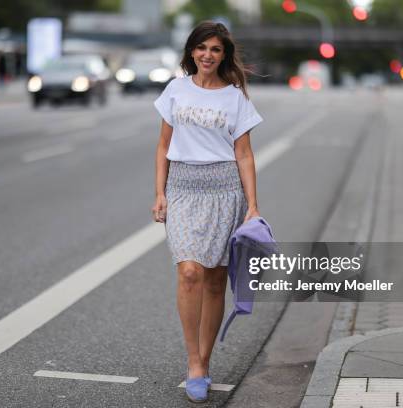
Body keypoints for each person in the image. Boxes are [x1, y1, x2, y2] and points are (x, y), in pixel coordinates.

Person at [151, 21, 263, 403]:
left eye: (215, 49)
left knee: (215, 280)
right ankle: (193, 362)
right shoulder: (175, 90)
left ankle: (205, 358)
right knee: (189, 271)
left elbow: (244, 154)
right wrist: (160, 193)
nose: (208, 55)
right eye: (202, 48)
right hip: (182, 187)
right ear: (191, 52)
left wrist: (253, 205)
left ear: (224, 55)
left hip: (224, 190)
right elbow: (163, 145)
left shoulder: (235, 98)